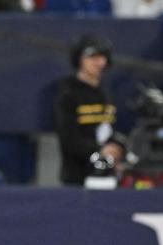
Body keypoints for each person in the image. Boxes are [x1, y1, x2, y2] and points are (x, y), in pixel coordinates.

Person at [53, 35, 124, 185]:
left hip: (107, 175)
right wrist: (100, 150)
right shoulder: (68, 92)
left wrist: (116, 148)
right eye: (92, 57)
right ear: (80, 59)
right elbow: (68, 139)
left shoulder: (106, 93)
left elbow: (110, 129)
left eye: (102, 57)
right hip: (76, 177)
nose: (98, 62)